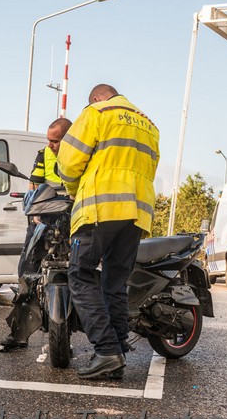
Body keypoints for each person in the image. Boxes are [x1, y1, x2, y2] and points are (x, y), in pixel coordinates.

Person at [57, 84, 160, 379]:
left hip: (100, 208)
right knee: (115, 283)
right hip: (137, 212)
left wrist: (74, 192)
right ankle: (117, 353)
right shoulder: (149, 125)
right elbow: (149, 169)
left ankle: (106, 350)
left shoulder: (97, 112)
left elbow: (70, 161)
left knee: (80, 275)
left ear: (96, 99)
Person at [0, 117, 72, 350]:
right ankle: (18, 333)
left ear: (68, 138)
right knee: (27, 273)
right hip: (46, 218)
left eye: (56, 141)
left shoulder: (84, 156)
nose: (51, 145)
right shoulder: (44, 154)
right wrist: (34, 214)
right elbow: (34, 184)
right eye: (49, 140)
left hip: (75, 219)